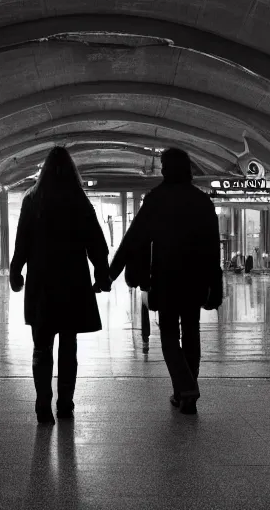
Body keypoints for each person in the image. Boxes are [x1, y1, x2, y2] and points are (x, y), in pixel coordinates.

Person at [109, 148, 221, 415]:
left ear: (168, 169)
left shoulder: (156, 199)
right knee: (191, 333)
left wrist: (111, 273)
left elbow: (133, 239)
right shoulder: (202, 201)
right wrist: (215, 285)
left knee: (169, 334)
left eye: (162, 165)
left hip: (166, 278)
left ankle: (185, 387)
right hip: (195, 280)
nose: (160, 170)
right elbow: (213, 248)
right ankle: (185, 391)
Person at [9, 147, 111, 424]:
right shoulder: (79, 200)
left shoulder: (32, 199)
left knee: (41, 346)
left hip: (41, 283)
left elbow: (22, 244)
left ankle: (43, 403)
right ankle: (65, 403)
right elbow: (96, 243)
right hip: (72, 283)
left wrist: (16, 272)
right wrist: (102, 274)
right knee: (68, 345)